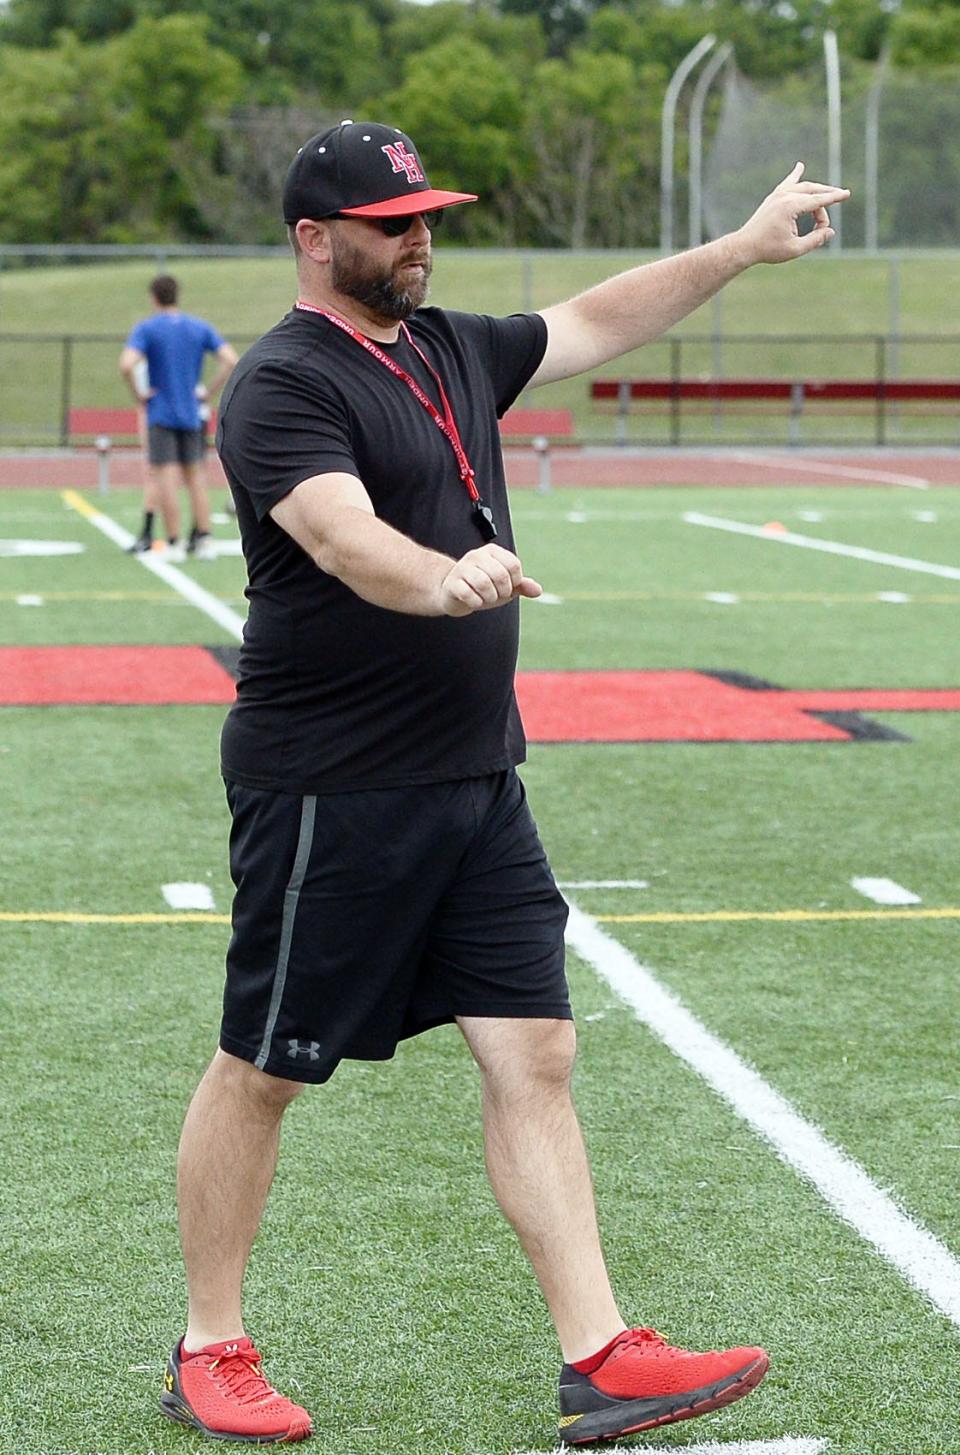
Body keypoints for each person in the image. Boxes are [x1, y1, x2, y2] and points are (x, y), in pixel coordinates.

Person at [159, 121, 848, 1446]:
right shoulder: (283, 383)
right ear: (317, 238)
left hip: (478, 776)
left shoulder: (451, 345)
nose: (419, 238)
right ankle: (211, 1340)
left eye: (426, 215)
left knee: (536, 1048)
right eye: (391, 221)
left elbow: (598, 315)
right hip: (331, 788)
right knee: (265, 1067)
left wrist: (744, 249)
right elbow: (344, 536)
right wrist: (444, 575)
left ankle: (598, 1350)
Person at [119, 276, 238, 561]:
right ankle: (204, 539)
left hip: (161, 411)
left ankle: (174, 542)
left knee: (166, 478)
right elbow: (231, 360)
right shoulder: (198, 327)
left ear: (153, 297)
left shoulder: (147, 329)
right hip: (192, 411)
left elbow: (126, 365)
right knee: (196, 477)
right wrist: (208, 391)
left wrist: (140, 394)